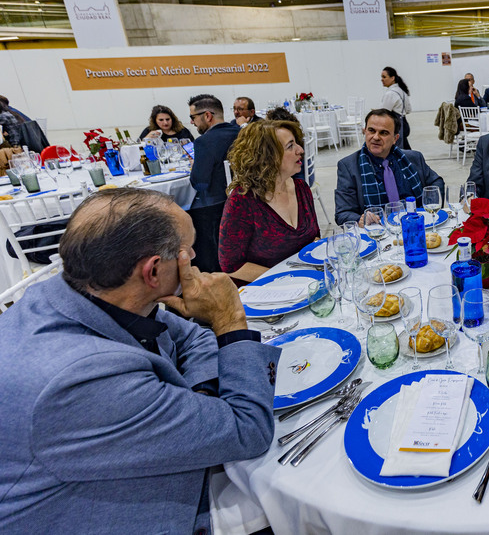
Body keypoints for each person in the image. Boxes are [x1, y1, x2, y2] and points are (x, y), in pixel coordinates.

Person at [0, 188, 279, 534]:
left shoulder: (88, 291)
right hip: (117, 510)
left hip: (128, 459)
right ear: (153, 271)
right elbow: (248, 429)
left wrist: (199, 401)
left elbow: (192, 337)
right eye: (187, 251)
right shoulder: (79, 381)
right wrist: (230, 319)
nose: (193, 256)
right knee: (289, 500)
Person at [218, 120, 318, 285]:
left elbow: (314, 238)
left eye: (297, 144)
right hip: (264, 294)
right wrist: (287, 277)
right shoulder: (242, 201)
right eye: (290, 146)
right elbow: (231, 265)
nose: (300, 150)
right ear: (267, 158)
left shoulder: (301, 188)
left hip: (305, 285)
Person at [335, 109, 444, 226]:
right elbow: (342, 213)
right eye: (371, 130)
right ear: (364, 131)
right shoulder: (348, 166)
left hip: (416, 225)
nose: (376, 137)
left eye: (383, 133)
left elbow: (436, 182)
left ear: (395, 139)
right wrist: (360, 219)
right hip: (377, 232)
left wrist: (428, 210)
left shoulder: (413, 158)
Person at [188, 94, 241, 272]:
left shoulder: (204, 142)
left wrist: (194, 167)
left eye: (193, 118)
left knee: (186, 212)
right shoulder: (241, 133)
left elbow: (200, 183)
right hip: (246, 198)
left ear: (208, 116)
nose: (192, 123)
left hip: (217, 209)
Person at [380, 66, 412, 149]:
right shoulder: (401, 90)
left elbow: (383, 112)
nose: (381, 79)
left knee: (397, 150)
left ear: (392, 78)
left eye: (384, 77)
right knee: (404, 150)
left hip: (394, 125)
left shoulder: (390, 94)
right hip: (403, 122)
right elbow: (408, 110)